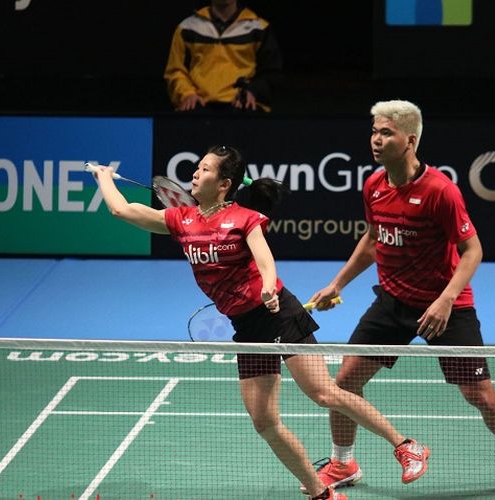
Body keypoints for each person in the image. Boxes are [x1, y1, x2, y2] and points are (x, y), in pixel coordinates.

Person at [93, 145, 430, 499]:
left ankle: (406, 445)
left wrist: (269, 288)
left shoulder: (244, 218)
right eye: (196, 167)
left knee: (323, 392)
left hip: (278, 315)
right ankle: (322, 493)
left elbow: (266, 261)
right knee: (264, 422)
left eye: (204, 169)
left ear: (224, 184)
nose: (195, 173)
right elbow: (121, 209)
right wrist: (103, 177)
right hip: (247, 329)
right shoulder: (182, 220)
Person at [308, 100, 495, 497]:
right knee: (345, 382)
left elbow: (473, 250)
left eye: (386, 133)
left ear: (409, 140)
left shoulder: (439, 191)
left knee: (479, 394)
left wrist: (446, 299)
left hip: (446, 306)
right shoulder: (374, 186)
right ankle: (343, 462)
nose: (376, 140)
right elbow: (372, 238)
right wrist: (338, 283)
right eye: (375, 132)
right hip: (393, 301)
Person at [163, 0, 283, 112]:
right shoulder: (188, 28)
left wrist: (253, 91)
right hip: (199, 105)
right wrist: (187, 94)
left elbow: (271, 73)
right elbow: (175, 70)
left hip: (242, 106)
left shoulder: (258, 28)